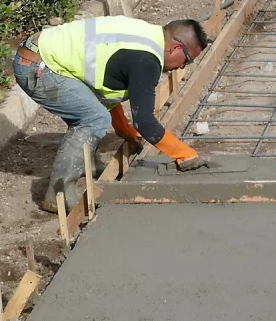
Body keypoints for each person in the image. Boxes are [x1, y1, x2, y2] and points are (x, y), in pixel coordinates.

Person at [12, 16, 211, 212]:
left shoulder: (148, 36)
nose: (182, 67)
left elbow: (107, 87)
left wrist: (123, 128)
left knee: (93, 111)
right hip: (39, 66)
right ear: (176, 47)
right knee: (94, 119)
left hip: (42, 54)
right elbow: (145, 122)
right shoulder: (146, 60)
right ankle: (59, 196)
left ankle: (85, 164)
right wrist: (183, 154)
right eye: (187, 60)